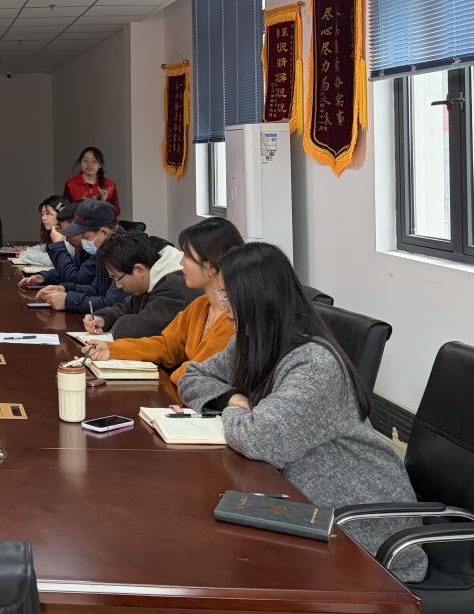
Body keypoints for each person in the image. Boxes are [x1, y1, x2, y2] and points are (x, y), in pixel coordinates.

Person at [179, 243, 426, 582]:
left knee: (221, 562)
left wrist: (235, 412)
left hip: (361, 528)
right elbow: (193, 376)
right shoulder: (252, 340)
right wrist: (232, 399)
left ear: (258, 297)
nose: (224, 306)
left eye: (230, 296)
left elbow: (261, 439)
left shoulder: (314, 364)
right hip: (301, 503)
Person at [85, 217, 243, 381]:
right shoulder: (200, 305)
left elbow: (199, 372)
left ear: (211, 265)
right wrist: (112, 349)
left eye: (188, 256)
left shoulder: (232, 318)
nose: (181, 262)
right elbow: (166, 345)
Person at [80, 229, 201, 340]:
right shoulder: (151, 273)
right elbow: (130, 307)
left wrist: (115, 326)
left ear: (139, 269)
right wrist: (103, 318)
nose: (118, 285)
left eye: (117, 277)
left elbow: (137, 330)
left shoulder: (172, 289)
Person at [29, 200, 126, 313]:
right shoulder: (105, 249)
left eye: (85, 237)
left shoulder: (124, 254)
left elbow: (111, 303)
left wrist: (67, 300)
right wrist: (64, 288)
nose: (82, 240)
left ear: (103, 233)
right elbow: (96, 289)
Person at [62, 146, 121, 216]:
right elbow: (63, 210)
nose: (89, 164)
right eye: (85, 160)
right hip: (79, 223)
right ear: (80, 162)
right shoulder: (71, 184)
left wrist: (103, 202)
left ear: (100, 165)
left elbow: (116, 211)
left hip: (102, 223)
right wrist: (79, 204)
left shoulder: (109, 185)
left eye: (94, 161)